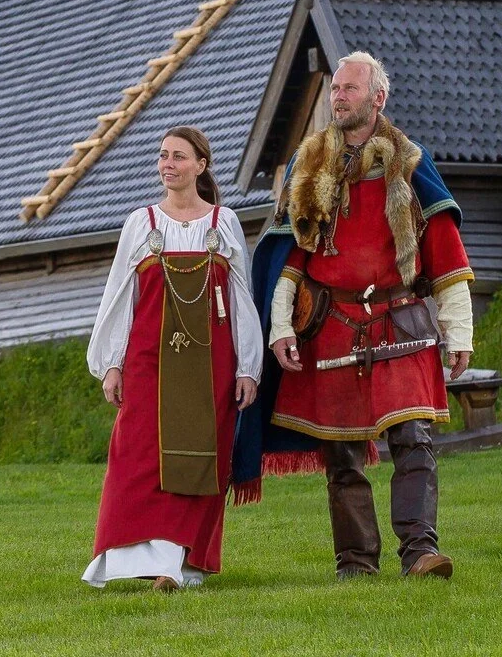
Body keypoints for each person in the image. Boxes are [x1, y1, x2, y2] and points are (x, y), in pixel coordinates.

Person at [264, 51, 476, 579]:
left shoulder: (409, 160)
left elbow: (447, 254)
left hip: (399, 319)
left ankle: (420, 552)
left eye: (350, 89)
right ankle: (356, 562)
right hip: (331, 326)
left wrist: (459, 333)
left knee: (414, 441)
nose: (338, 97)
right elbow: (288, 257)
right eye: (336, 88)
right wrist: (282, 326)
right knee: (341, 454)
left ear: (378, 98)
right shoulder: (308, 163)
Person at [83, 126, 262, 591]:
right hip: (148, 361)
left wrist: (248, 366)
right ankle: (141, 559)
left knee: (204, 458)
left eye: (178, 157)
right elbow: (120, 298)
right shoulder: (140, 223)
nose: (167, 164)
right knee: (136, 456)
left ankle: (179, 564)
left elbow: (241, 299)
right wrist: (112, 363)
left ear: (200, 166)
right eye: (163, 156)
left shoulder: (224, 223)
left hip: (211, 363)